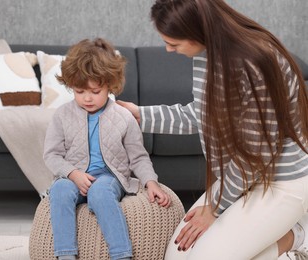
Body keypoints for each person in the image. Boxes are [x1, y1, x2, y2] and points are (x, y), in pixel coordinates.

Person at [116, 0, 308, 259]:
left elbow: (257, 153)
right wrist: (138, 115)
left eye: (174, 43)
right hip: (240, 179)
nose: (168, 50)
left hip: (279, 182)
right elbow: (200, 115)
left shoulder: (256, 62)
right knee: (177, 255)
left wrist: (214, 210)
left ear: (199, 31)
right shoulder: (206, 54)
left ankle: (297, 236)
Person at [43, 38, 171, 260]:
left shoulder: (123, 117)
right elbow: (52, 155)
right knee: (59, 190)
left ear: (110, 85)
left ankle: (121, 254)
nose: (87, 98)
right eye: (80, 91)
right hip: (74, 175)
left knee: (100, 193)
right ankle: (65, 254)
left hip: (108, 177)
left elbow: (138, 157)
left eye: (95, 90)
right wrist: (73, 174)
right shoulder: (62, 115)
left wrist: (151, 182)